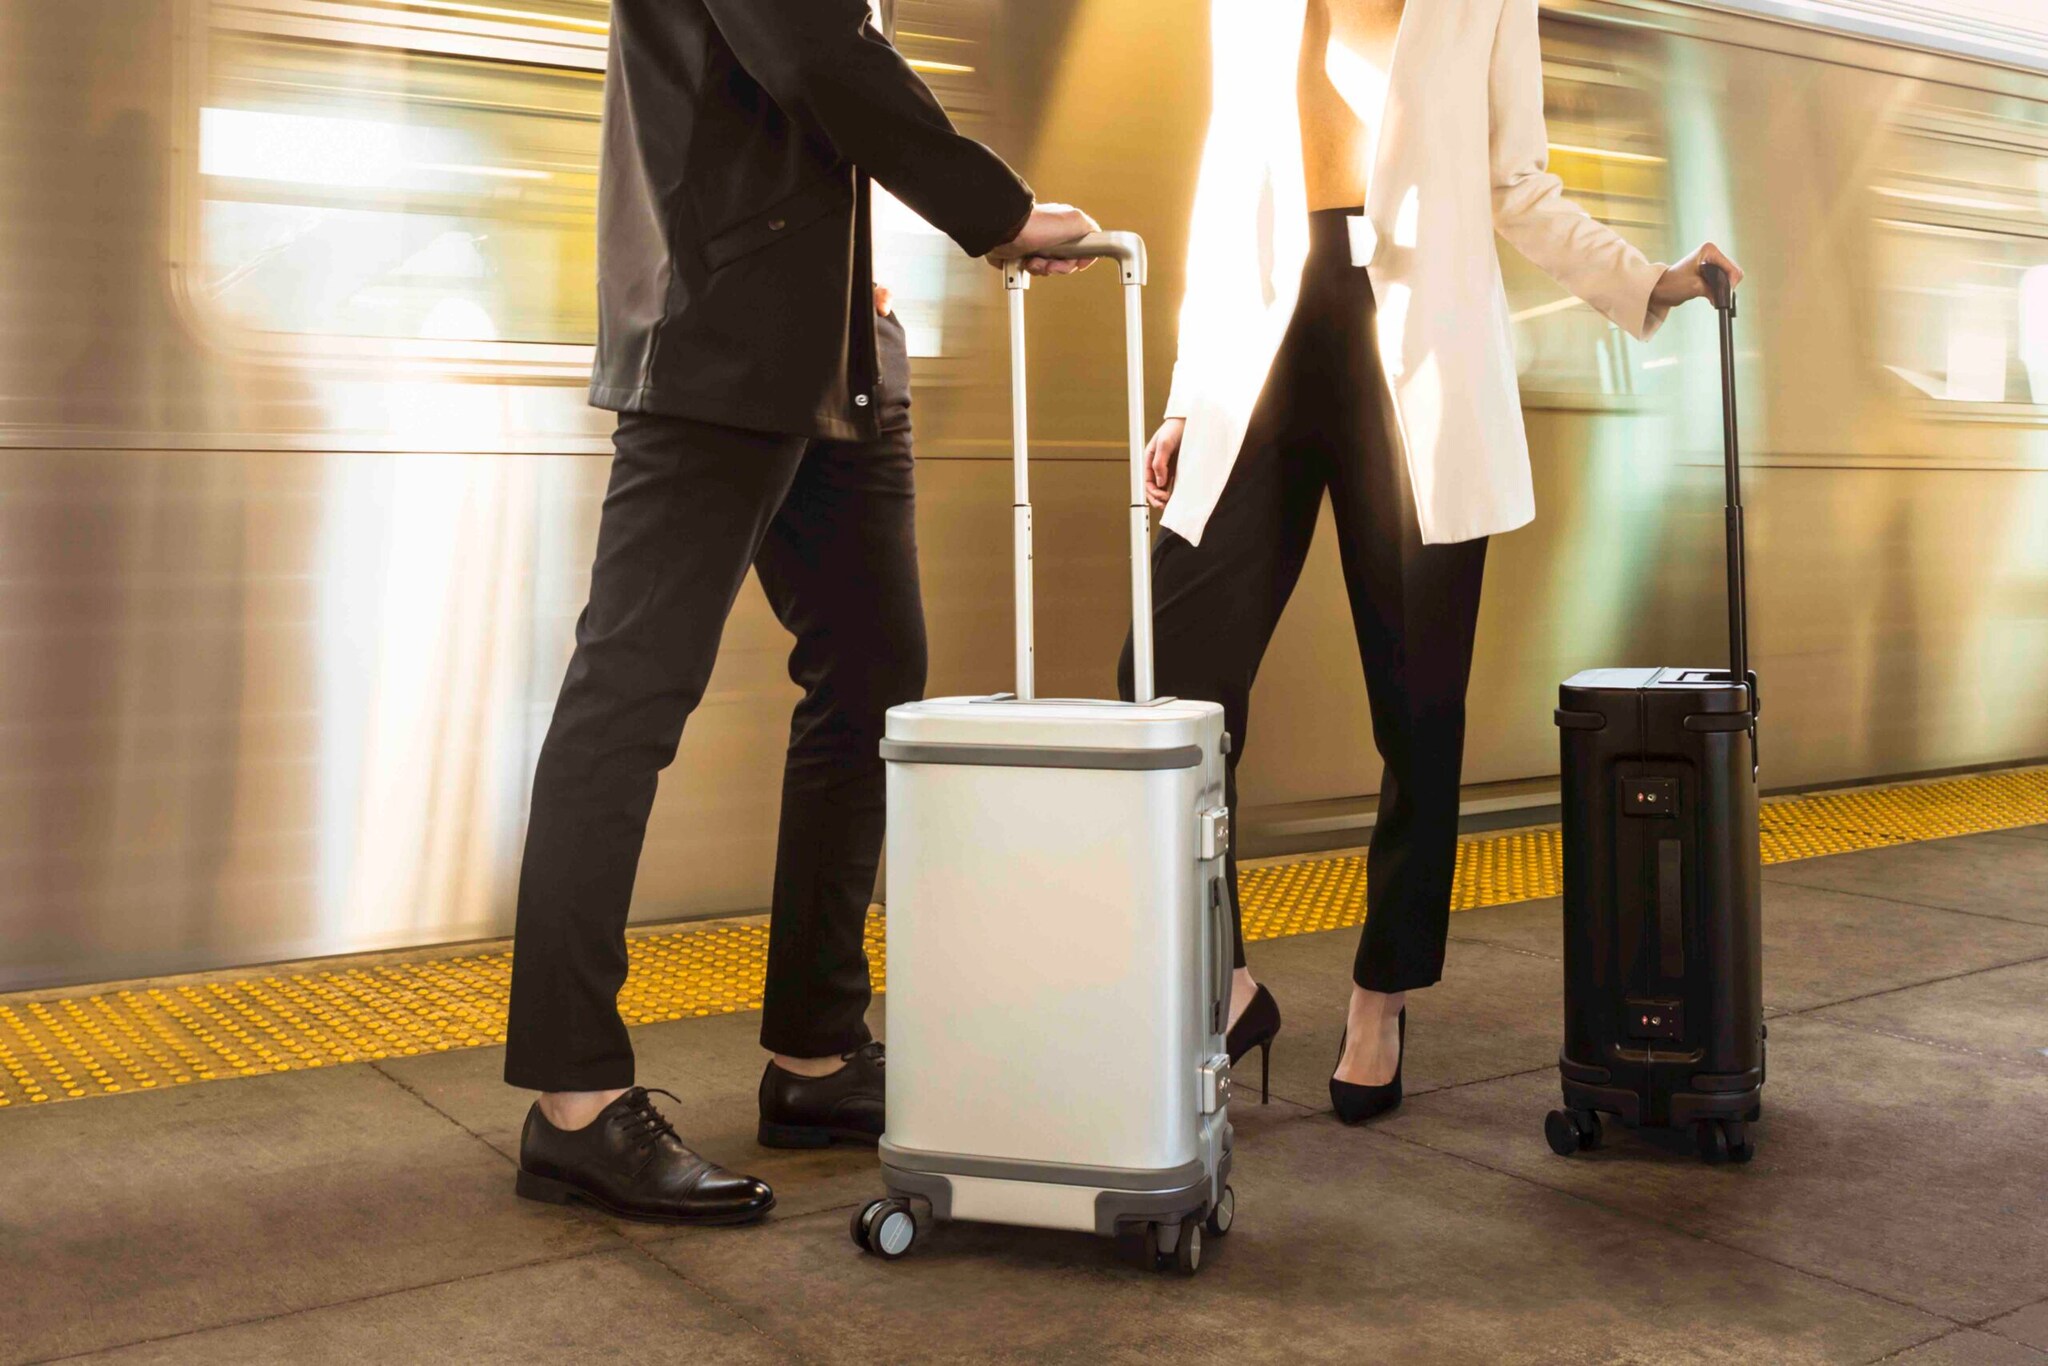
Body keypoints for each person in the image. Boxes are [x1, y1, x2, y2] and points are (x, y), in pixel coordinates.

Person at [504, 0, 1098, 1226]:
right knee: (630, 692)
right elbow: (819, 48)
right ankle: (570, 1098)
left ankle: (815, 1054)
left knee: (875, 671)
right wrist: (998, 212)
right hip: (720, 327)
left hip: (830, 342)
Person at [1126, 0, 1743, 1123]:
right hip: (1260, 350)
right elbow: (1228, 191)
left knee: (1416, 708)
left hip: (1417, 364)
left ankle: (1381, 993)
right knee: (1165, 673)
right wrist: (1180, 397)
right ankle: (1219, 978)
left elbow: (1517, 183)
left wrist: (1641, 281)